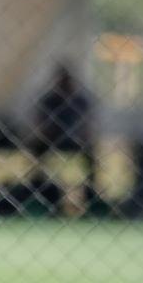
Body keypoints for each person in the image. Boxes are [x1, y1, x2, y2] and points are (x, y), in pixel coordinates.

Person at [29, 62, 98, 214]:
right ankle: (40, 192)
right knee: (36, 152)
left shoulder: (80, 101)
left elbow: (88, 125)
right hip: (53, 140)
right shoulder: (50, 100)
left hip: (76, 142)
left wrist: (82, 136)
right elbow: (40, 124)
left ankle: (92, 196)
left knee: (93, 156)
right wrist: (48, 134)